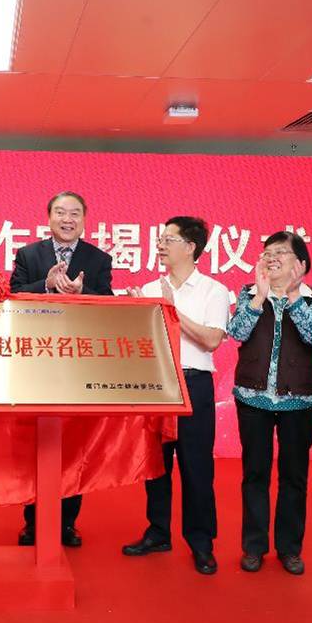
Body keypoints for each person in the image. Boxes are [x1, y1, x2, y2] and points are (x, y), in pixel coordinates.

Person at [122, 217, 229, 575]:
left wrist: (171, 310)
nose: (161, 245)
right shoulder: (150, 287)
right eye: (160, 239)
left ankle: (201, 542)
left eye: (169, 239)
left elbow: (211, 340)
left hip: (193, 384)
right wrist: (137, 313)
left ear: (191, 247)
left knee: (196, 466)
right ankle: (158, 531)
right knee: (156, 464)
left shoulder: (213, 290)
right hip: (156, 384)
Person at [9, 191, 114, 548]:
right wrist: (47, 285)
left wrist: (83, 294)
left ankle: (68, 523)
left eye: (74, 214)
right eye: (60, 213)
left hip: (77, 364)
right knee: (34, 446)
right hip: (34, 361)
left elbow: (109, 305)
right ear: (49, 217)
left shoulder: (98, 259)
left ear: (84, 219)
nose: (67, 219)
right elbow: (12, 297)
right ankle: (32, 523)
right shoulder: (29, 254)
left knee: (72, 446)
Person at [226, 231, 312, 576]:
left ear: (301, 263)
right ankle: (254, 546)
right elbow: (236, 333)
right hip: (253, 398)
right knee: (255, 474)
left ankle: (289, 548)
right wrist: (258, 298)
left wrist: (293, 296)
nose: (272, 258)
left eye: (281, 252)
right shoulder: (249, 293)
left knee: (294, 476)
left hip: (300, 400)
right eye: (267, 252)